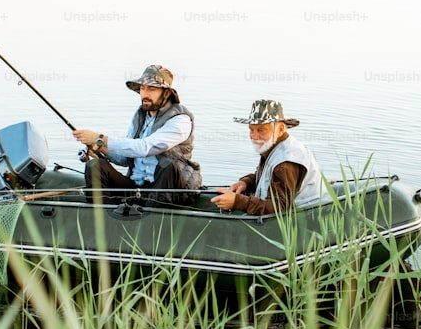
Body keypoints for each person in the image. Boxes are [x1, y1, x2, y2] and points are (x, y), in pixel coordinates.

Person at [72, 64, 201, 204]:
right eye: (142, 88)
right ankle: (101, 218)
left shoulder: (180, 120)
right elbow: (126, 158)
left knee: (168, 166)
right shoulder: (140, 116)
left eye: (151, 89)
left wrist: (100, 139)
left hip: (168, 188)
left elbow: (145, 148)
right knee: (95, 165)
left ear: (167, 93)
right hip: (136, 186)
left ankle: (155, 217)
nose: (145, 94)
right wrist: (100, 147)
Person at [211, 99, 327, 215]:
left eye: (261, 130)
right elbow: (269, 177)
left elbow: (281, 208)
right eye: (251, 129)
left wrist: (238, 201)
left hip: (305, 217)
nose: (254, 136)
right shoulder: (274, 145)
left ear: (281, 129)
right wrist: (246, 183)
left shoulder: (286, 162)